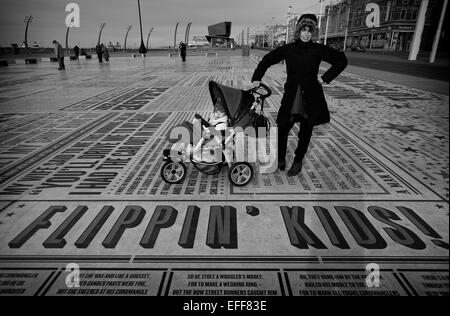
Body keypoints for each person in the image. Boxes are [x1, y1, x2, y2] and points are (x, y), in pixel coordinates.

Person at [252, 14, 347, 177]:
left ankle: (298, 161)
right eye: (303, 30)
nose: (306, 34)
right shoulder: (288, 49)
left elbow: (341, 60)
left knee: (305, 131)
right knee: (283, 127)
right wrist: (256, 78)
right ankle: (281, 159)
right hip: (291, 97)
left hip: (311, 97)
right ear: (298, 31)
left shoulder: (318, 49)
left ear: (314, 33)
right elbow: (267, 59)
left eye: (310, 31)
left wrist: (325, 78)